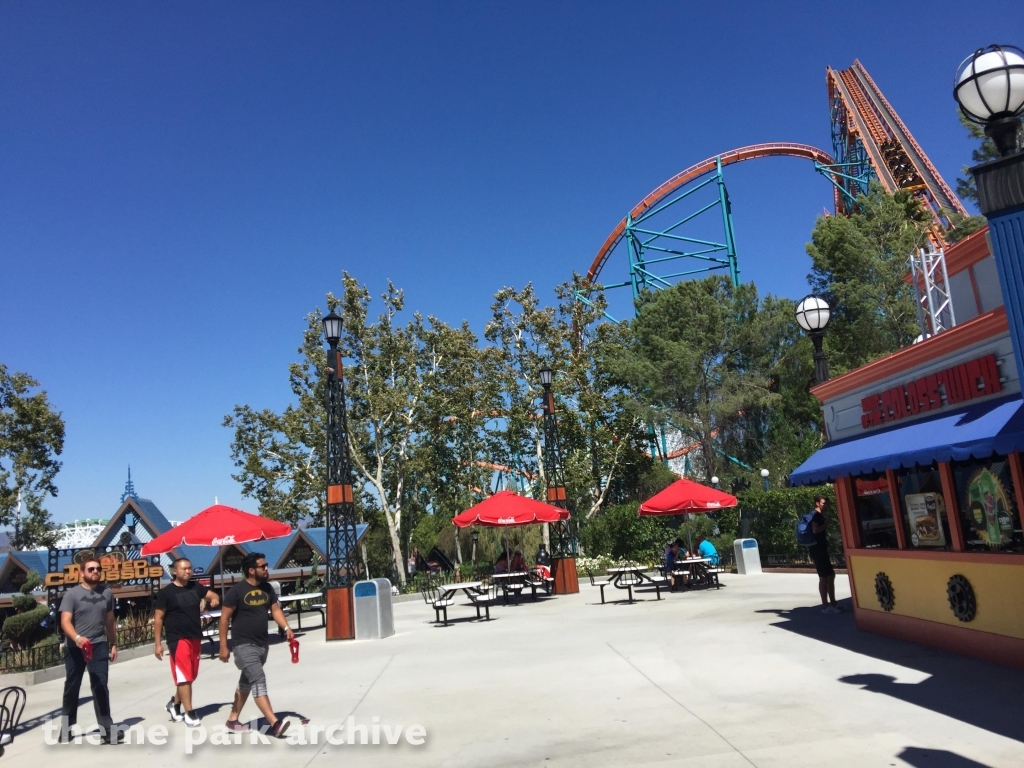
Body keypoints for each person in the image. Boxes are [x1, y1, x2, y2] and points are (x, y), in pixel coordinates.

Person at [219, 552, 294, 737]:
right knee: (258, 679)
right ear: (251, 570)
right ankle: (274, 723)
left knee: (246, 681)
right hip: (243, 645)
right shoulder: (236, 591)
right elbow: (224, 618)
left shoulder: (267, 588)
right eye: (262, 566)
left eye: (266, 565)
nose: (266, 568)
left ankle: (232, 719)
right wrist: (223, 645)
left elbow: (275, 610)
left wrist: (286, 628)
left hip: (262, 645)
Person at [59, 555, 119, 743]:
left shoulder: (106, 593)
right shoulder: (72, 594)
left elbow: (110, 620)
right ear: (81, 572)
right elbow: (65, 621)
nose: (95, 572)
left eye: (98, 569)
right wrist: (76, 637)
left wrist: (114, 643)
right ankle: (66, 728)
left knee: (100, 685)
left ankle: (107, 730)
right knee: (72, 687)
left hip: (99, 644)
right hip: (75, 647)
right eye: (91, 569)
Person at [153, 557, 220, 727]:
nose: (188, 571)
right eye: (184, 569)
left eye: (190, 568)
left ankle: (174, 705)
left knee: (190, 676)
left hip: (194, 637)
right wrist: (158, 644)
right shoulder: (166, 593)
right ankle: (190, 713)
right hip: (178, 639)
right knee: (184, 676)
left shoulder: (195, 587)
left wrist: (213, 599)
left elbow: (213, 594)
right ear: (174, 571)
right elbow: (158, 618)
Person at [808, 495, 840, 614]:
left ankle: (833, 603)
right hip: (817, 550)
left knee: (830, 575)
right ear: (817, 503)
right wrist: (826, 524)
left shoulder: (818, 515)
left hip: (821, 549)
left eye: (826, 503)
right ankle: (825, 606)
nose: (825, 505)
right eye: (823, 503)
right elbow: (815, 530)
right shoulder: (815, 515)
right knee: (824, 577)